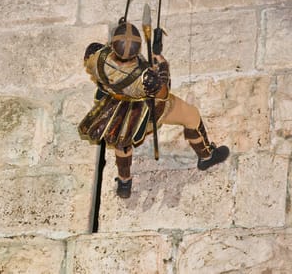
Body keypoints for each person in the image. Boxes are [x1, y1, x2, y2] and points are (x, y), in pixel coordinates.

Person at [79, 21, 229, 198]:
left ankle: (124, 181)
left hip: (113, 106)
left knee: (122, 139)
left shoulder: (95, 52)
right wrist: (161, 62)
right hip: (142, 111)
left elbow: (97, 67)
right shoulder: (147, 78)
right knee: (191, 116)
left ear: (113, 44)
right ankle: (206, 157)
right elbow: (163, 93)